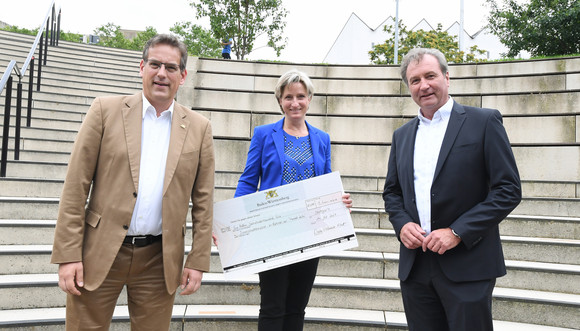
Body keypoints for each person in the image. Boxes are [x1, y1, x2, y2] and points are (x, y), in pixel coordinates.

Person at [50, 34, 215, 331]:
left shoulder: (200, 128)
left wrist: (197, 259)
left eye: (171, 67)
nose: (162, 73)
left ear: (183, 75)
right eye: (155, 64)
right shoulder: (104, 110)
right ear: (141, 67)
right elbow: (76, 185)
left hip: (159, 259)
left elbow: (203, 202)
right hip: (99, 253)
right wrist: (68, 254)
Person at [382, 48, 521, 331]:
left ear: (447, 77)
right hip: (416, 266)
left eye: (430, 76)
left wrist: (457, 232)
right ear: (408, 87)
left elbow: (508, 189)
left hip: (467, 264)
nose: (424, 85)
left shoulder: (484, 121)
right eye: (415, 80)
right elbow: (392, 193)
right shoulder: (402, 135)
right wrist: (402, 223)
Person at [234, 69, 352, 330]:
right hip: (274, 233)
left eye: (300, 96)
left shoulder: (322, 139)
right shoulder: (264, 134)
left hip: (310, 233)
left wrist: (339, 200)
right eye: (288, 97)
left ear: (309, 99)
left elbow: (325, 183)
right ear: (280, 100)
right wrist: (233, 221)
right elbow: (248, 179)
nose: (295, 102)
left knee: (297, 307)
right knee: (273, 307)